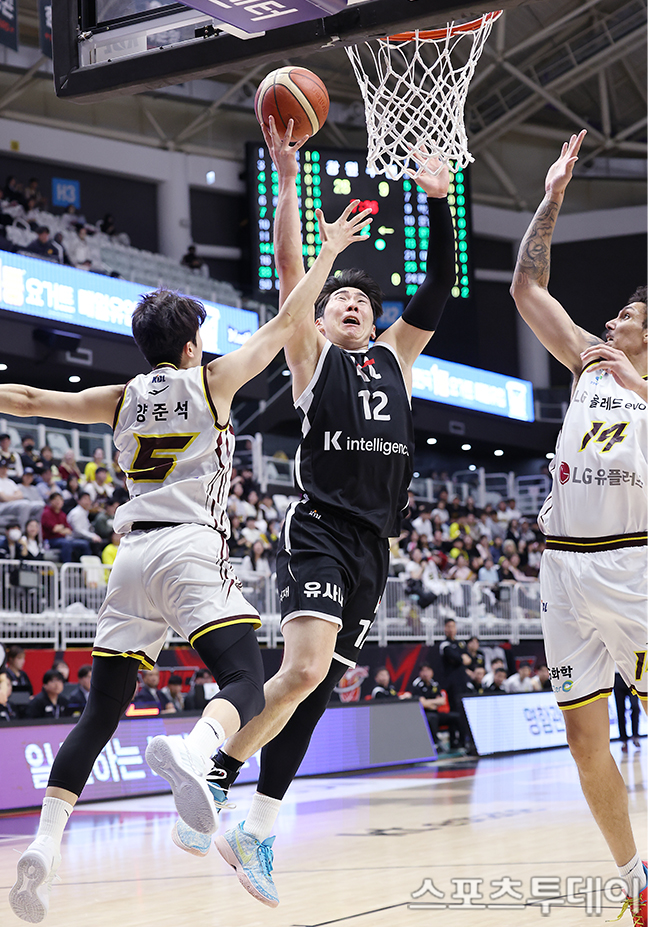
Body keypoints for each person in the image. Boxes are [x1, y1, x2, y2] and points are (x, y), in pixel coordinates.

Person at [7, 196, 371, 923]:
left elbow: (27, 397)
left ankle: (44, 843)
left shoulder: (117, 398)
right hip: (188, 547)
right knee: (245, 678)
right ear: (190, 345)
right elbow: (289, 322)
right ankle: (197, 750)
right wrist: (328, 251)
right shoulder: (212, 381)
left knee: (98, 714)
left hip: (129, 559)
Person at [178, 119, 456, 906]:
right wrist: (288, 178)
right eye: (339, 301)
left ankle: (256, 826)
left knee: (313, 688)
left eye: (362, 301)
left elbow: (438, 286)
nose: (352, 304)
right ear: (323, 319)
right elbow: (289, 265)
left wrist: (439, 201)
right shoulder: (312, 354)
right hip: (321, 528)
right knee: (300, 670)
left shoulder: (397, 357)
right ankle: (212, 776)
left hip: (375, 547)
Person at [510, 129, 647, 923]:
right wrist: (552, 196)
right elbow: (527, 287)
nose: (612, 320)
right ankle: (636, 880)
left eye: (627, 314)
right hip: (563, 570)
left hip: (634, 566)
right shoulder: (589, 359)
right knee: (584, 741)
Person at [614, 672, 641, 753]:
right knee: (620, 710)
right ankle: (624, 740)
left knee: (635, 707)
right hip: (617, 677)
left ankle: (635, 736)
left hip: (631, 676)